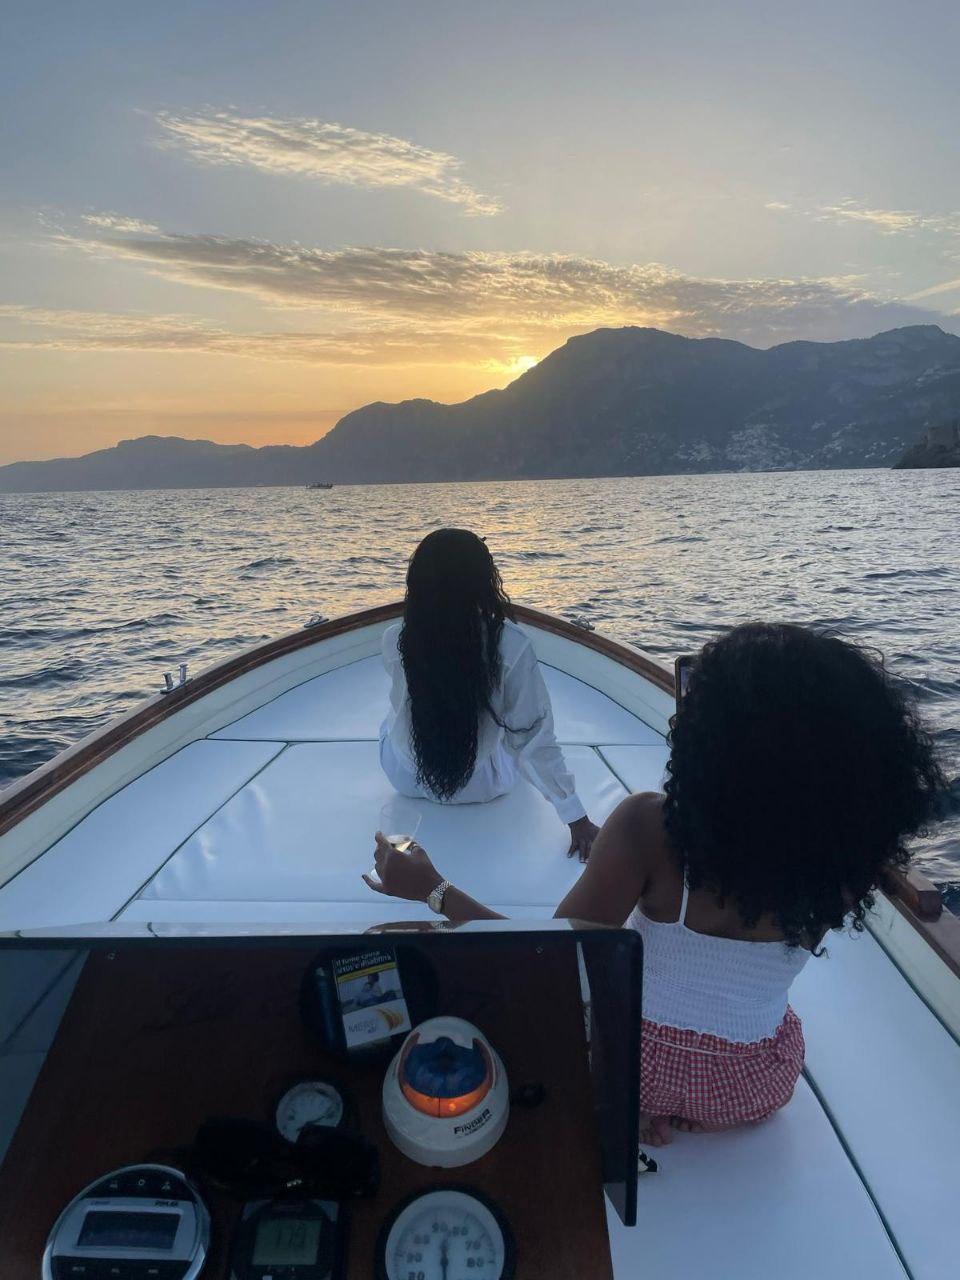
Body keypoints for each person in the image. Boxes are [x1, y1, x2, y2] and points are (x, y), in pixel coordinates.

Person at [364, 622, 944, 1145]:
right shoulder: (845, 854)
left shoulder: (651, 828)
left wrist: (432, 889)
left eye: (694, 704)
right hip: (753, 1091)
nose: (675, 717)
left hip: (629, 1073)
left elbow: (547, 957)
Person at [379, 528, 599, 860]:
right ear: (483, 581)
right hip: (481, 787)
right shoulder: (510, 643)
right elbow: (533, 740)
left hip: (407, 778)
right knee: (515, 736)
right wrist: (576, 818)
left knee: (390, 721)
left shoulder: (396, 638)